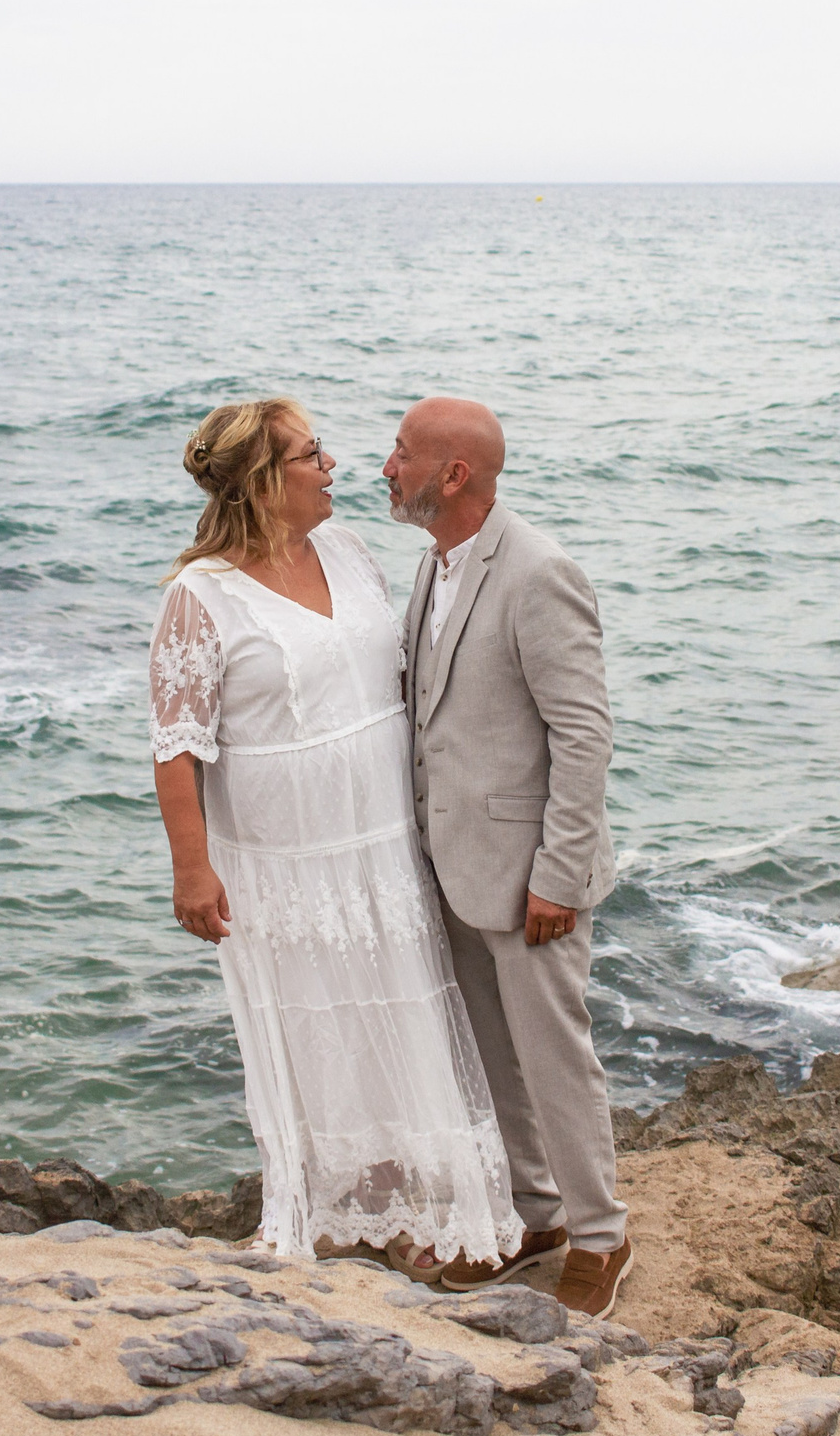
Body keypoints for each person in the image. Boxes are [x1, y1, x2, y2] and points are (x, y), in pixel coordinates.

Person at [148, 396, 523, 1273]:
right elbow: (178, 744)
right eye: (311, 456)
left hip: (381, 846)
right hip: (284, 862)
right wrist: (191, 869)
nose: (333, 467)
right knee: (317, 1034)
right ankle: (330, 1215)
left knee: (400, 1015)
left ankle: (417, 1217)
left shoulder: (350, 554)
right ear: (262, 482)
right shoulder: (199, 597)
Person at [383, 396, 634, 1320]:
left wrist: (558, 876)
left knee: (555, 1058)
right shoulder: (432, 564)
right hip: (453, 864)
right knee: (490, 1059)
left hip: (533, 877)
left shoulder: (538, 571)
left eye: (402, 452)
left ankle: (603, 1234)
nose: (386, 465)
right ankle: (535, 1216)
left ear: (455, 474)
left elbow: (584, 734)